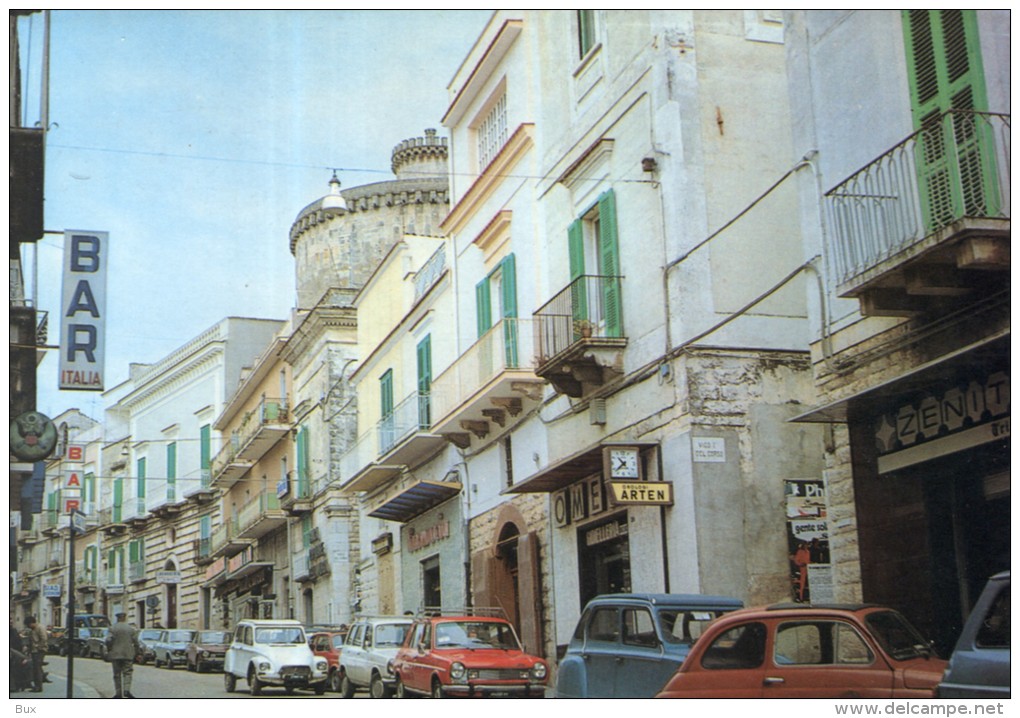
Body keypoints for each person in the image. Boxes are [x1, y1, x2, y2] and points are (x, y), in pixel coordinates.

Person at [105, 612, 140, 698]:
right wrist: (137, 652)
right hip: (128, 654)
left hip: (115, 654)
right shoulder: (131, 629)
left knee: (117, 674)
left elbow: (108, 640)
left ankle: (118, 693)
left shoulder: (112, 628)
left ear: (117, 618)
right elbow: (136, 642)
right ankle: (127, 690)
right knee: (127, 673)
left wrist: (110, 649)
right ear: (124, 618)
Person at [25, 616, 47, 692]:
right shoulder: (32, 630)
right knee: (35, 668)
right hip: (34, 651)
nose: (28, 627)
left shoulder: (40, 628)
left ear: (32, 623)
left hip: (39, 651)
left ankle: (38, 687)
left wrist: (38, 646)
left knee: (37, 668)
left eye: (28, 625)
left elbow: (44, 639)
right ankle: (36, 685)